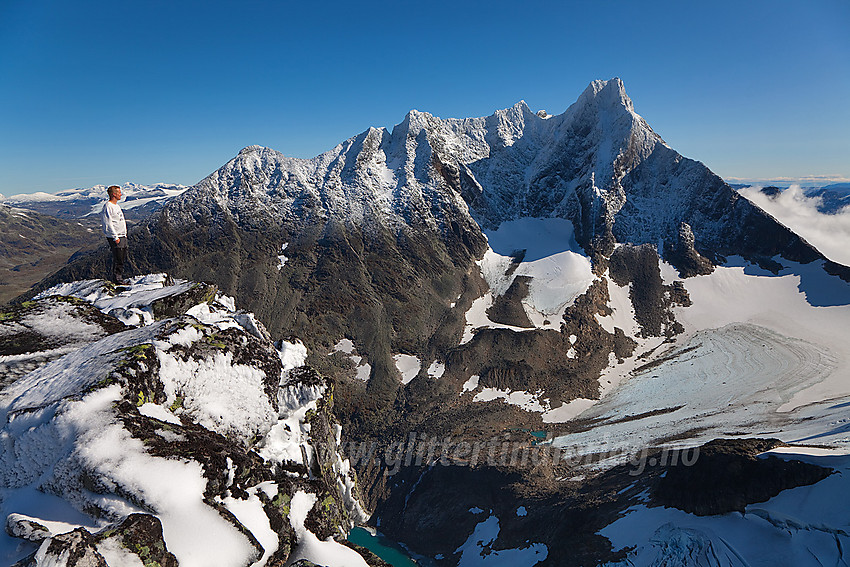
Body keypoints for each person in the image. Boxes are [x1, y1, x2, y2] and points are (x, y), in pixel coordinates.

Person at [100, 185, 129, 285]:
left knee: (122, 257)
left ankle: (119, 278)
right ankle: (117, 280)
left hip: (122, 235)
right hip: (116, 236)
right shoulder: (108, 206)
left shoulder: (116, 206)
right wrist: (115, 237)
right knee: (118, 258)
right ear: (114, 194)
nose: (121, 194)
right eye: (119, 193)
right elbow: (107, 223)